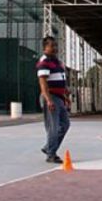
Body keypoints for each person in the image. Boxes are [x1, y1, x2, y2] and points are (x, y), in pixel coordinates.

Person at [37, 36, 71, 164]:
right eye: (52, 46)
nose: (55, 48)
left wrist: (66, 96)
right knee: (54, 127)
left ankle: (48, 147)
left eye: (56, 46)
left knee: (65, 124)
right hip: (51, 97)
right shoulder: (44, 62)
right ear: (45, 47)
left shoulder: (57, 62)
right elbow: (43, 83)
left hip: (60, 97)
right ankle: (51, 154)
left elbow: (62, 80)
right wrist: (48, 100)